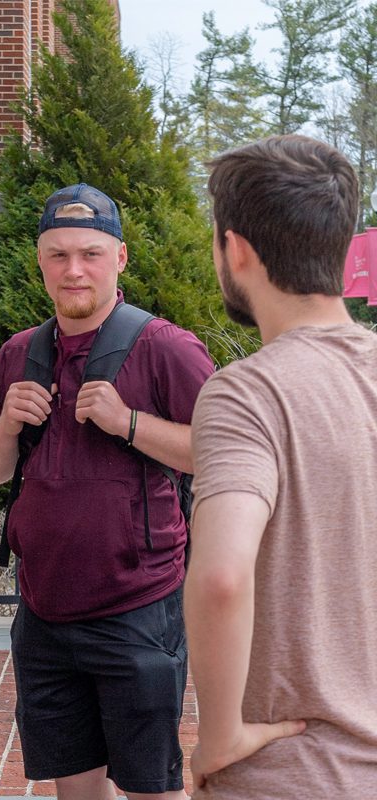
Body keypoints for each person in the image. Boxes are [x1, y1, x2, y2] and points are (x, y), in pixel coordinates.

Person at [0, 184, 215, 800]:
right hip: (43, 612)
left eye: (90, 254)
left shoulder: (167, 348)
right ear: (41, 261)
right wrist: (5, 425)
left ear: (120, 258)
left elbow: (222, 452)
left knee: (150, 788)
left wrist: (129, 423)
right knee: (75, 789)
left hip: (137, 608)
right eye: (58, 255)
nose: (73, 270)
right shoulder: (20, 353)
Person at [186, 135, 377, 797]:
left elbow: (219, 577)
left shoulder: (249, 392)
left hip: (294, 776)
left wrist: (220, 738)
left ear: (235, 249)